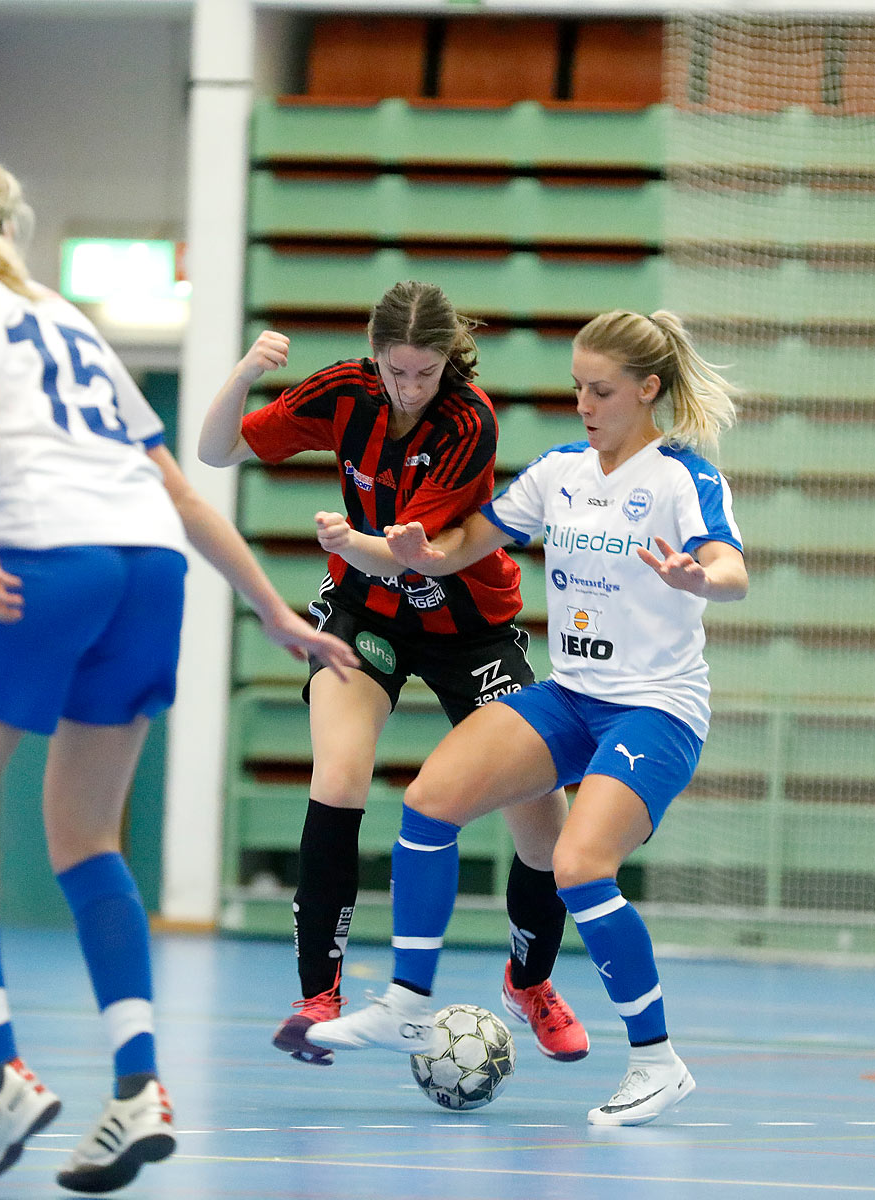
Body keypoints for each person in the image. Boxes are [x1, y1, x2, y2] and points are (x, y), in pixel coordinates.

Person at [0, 150, 355, 1195]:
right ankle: (138, 1088)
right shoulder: (61, 311)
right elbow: (171, 484)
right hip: (148, 568)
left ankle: (0, 1075)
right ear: (16, 226)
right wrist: (272, 608)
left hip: (45, 549)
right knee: (86, 836)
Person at [305, 309, 748, 1128]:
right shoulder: (561, 471)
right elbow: (467, 541)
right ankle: (407, 1000)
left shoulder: (681, 477)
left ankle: (657, 1060)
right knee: (430, 802)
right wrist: (406, 553)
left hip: (655, 710)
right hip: (572, 696)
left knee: (580, 865)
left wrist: (700, 577)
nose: (584, 402)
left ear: (647, 390)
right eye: (577, 385)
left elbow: (731, 564)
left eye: (601, 390)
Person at [197, 281, 589, 1067]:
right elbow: (216, 450)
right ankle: (319, 996)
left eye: (425, 371)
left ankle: (530, 980)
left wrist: (353, 542)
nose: (410, 387)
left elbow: (430, 551)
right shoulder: (345, 391)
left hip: (467, 626)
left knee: (541, 815)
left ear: (448, 359)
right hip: (365, 615)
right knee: (338, 775)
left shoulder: (468, 420)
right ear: (374, 355)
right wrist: (243, 372)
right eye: (396, 370)